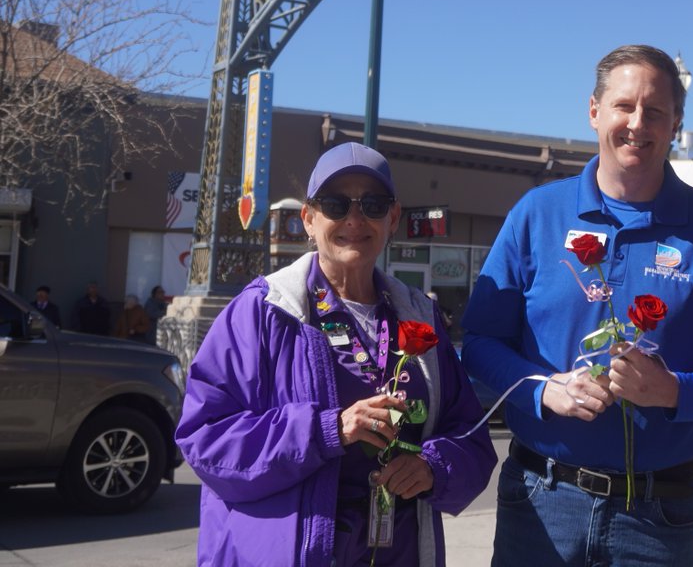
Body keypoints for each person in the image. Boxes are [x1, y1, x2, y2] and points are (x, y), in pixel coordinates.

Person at [461, 44, 693, 566]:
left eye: (655, 111)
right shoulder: (537, 214)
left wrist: (674, 390)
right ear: (594, 111)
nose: (637, 123)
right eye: (623, 106)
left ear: (675, 122)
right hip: (541, 500)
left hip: (660, 517)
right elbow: (478, 344)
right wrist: (543, 390)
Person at [177, 142, 496, 566]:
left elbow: (471, 435)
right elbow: (206, 438)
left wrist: (433, 467)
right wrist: (327, 430)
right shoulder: (262, 312)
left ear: (393, 218)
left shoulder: (420, 316)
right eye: (336, 204)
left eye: (373, 204)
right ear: (309, 219)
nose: (355, 219)